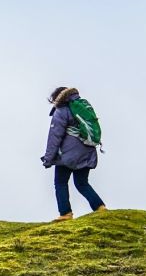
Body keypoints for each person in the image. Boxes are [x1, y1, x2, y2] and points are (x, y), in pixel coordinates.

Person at [41, 86, 107, 221]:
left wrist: (48, 159)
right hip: (87, 152)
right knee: (82, 183)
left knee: (60, 182)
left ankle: (66, 213)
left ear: (57, 98)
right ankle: (100, 207)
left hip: (67, 155)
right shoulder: (82, 107)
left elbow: (55, 137)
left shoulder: (61, 111)